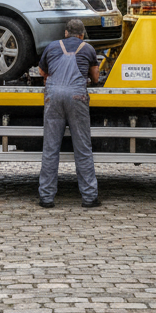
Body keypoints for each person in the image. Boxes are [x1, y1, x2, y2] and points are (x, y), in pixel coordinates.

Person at [36, 18, 101, 208]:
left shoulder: (52, 46)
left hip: (53, 97)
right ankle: (89, 197)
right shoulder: (87, 49)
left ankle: (46, 198)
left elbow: (42, 71)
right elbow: (96, 77)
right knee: (82, 149)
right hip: (77, 98)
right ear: (82, 35)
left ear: (66, 33)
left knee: (50, 149)